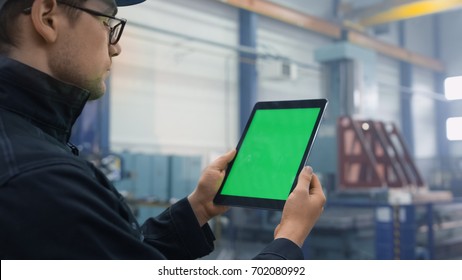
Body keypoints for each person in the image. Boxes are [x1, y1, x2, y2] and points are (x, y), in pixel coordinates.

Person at [0, 0, 326, 259]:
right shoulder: (42, 178)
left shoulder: (27, 148)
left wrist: (198, 207)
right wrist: (289, 237)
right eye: (107, 23)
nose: (116, 47)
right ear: (48, 17)